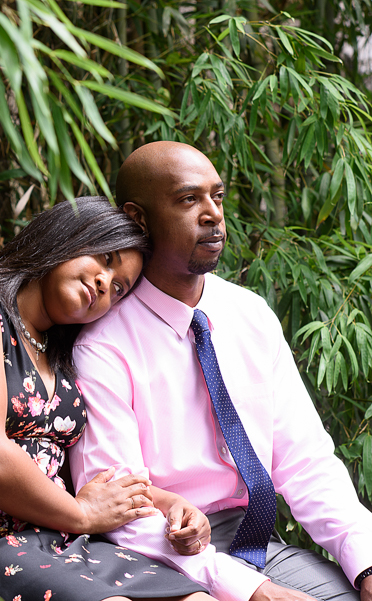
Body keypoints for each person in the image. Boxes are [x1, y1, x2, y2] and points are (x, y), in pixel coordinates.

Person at [69, 142, 372, 601]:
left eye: (218, 196)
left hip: (258, 542)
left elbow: (306, 462)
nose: (212, 214)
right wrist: (254, 591)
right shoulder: (101, 344)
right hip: (157, 556)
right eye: (190, 200)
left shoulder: (249, 314)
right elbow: (122, 513)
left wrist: (366, 561)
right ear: (138, 218)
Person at [0, 197, 215, 601]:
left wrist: (168, 504)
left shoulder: (59, 351)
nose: (104, 284)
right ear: (66, 236)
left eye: (119, 288)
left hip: (58, 543)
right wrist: (81, 515)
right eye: (105, 258)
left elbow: (78, 477)